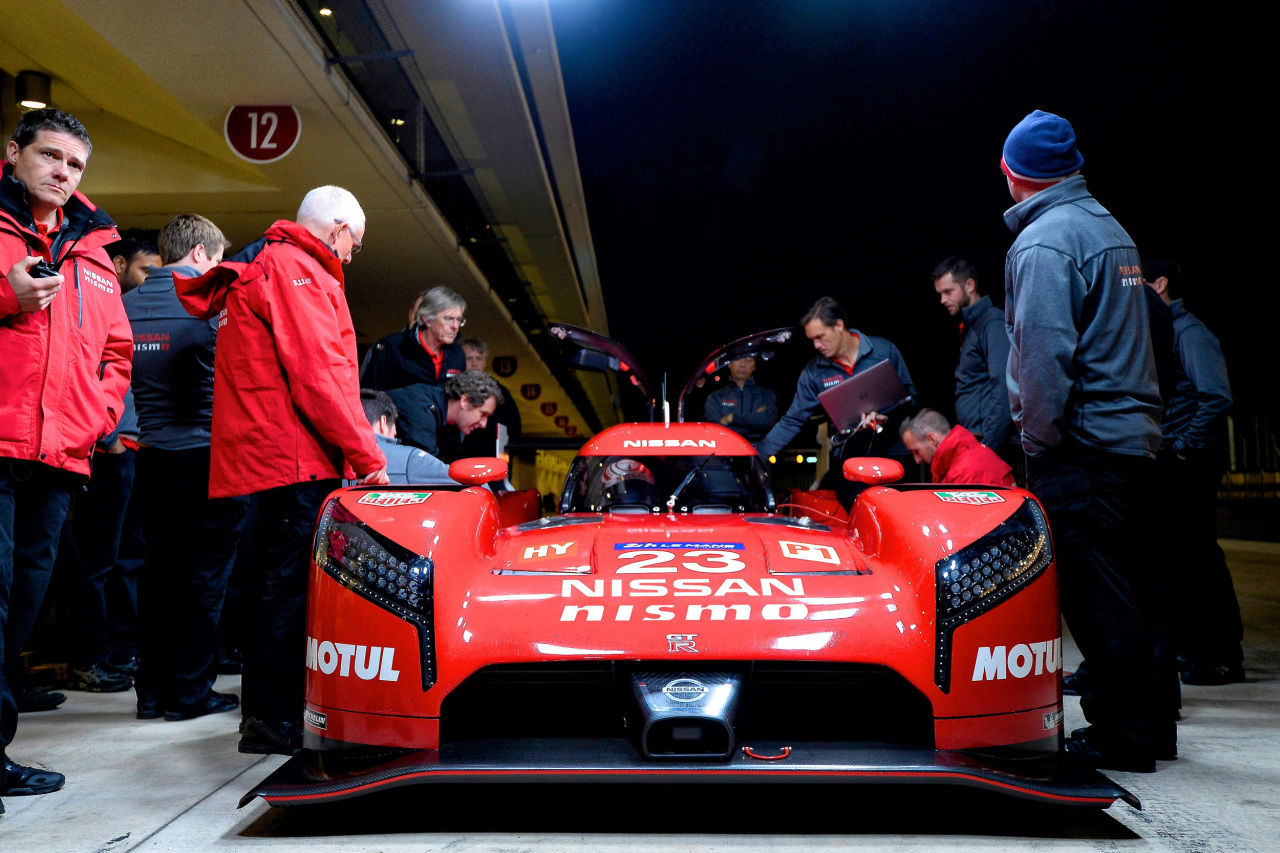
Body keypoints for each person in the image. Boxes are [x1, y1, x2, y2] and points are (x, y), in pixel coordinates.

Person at [175, 186, 387, 755]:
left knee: (274, 585)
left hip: (275, 457)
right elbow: (320, 373)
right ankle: (273, 721)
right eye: (353, 245)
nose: (349, 257)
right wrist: (369, 457)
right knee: (287, 591)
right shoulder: (296, 268)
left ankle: (270, 715)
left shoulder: (276, 264)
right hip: (294, 457)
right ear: (338, 228)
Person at [1002, 109, 1170, 772]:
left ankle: (1123, 735)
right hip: (1132, 444)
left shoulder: (1044, 242)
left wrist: (1039, 444)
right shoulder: (1111, 229)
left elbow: (1044, 358)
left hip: (1082, 449)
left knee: (1099, 603)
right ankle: (1151, 727)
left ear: (1014, 174)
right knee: (1133, 592)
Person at [1, 108, 132, 804]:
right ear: (14, 151)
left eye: (75, 164)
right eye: (49, 155)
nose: (61, 172)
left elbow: (115, 350)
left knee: (23, 601)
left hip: (57, 457)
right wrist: (6, 293)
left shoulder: (91, 248)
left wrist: (97, 415)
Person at [126, 213, 249, 722]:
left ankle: (151, 693)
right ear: (200, 254)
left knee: (158, 576)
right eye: (217, 259)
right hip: (208, 458)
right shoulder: (212, 306)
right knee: (205, 578)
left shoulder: (123, 304)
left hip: (150, 460)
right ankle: (190, 693)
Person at [1144, 258, 1244, 686]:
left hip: (1193, 463)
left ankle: (1223, 655)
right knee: (1182, 558)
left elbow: (1216, 397)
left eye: (1143, 283)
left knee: (1200, 556)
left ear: (1161, 284)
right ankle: (1200, 650)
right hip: (1178, 463)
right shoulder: (1170, 333)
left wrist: (1183, 447)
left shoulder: (1190, 333)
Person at [756, 296, 916, 507]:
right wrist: (758, 454)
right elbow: (792, 420)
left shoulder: (884, 350)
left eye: (820, 337)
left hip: (895, 452)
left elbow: (910, 398)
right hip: (851, 460)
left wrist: (886, 417)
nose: (816, 345)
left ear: (839, 325)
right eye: (812, 339)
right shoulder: (813, 373)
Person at [931, 256, 1013, 458]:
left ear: (969, 285)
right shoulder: (970, 326)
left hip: (991, 444)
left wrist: (987, 446)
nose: (943, 300)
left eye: (948, 292)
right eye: (940, 294)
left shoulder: (992, 323)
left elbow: (1003, 386)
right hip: (976, 439)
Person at [361, 286, 466, 390]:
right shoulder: (392, 347)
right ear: (427, 319)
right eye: (449, 319)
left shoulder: (457, 354)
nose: (455, 326)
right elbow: (370, 397)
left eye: (459, 320)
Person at [387, 371, 503, 460]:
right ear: (465, 401)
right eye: (483, 414)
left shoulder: (453, 425)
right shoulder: (421, 410)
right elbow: (426, 469)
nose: (484, 424)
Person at [360, 390, 456, 484]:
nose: (394, 437)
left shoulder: (346, 456)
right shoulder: (411, 459)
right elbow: (458, 478)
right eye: (394, 435)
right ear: (383, 422)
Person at [899, 409, 1014, 486]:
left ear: (932, 439)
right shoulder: (959, 458)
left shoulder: (966, 473)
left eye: (916, 451)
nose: (917, 460)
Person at [456, 337, 522, 458]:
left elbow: (514, 429)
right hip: (455, 462)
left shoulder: (501, 392)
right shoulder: (451, 390)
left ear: (485, 362)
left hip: (490, 461)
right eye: (469, 358)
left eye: (479, 358)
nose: (474, 363)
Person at [703, 356, 778, 443]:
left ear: (754, 366)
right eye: (737, 359)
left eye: (748, 360)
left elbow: (767, 421)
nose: (742, 364)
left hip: (759, 448)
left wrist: (732, 418)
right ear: (729, 364)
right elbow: (716, 428)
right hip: (725, 447)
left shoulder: (766, 394)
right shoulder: (716, 397)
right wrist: (753, 421)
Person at [109, 228, 160, 292]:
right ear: (119, 264)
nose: (155, 280)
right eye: (147, 271)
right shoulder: (97, 297)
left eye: (158, 273)